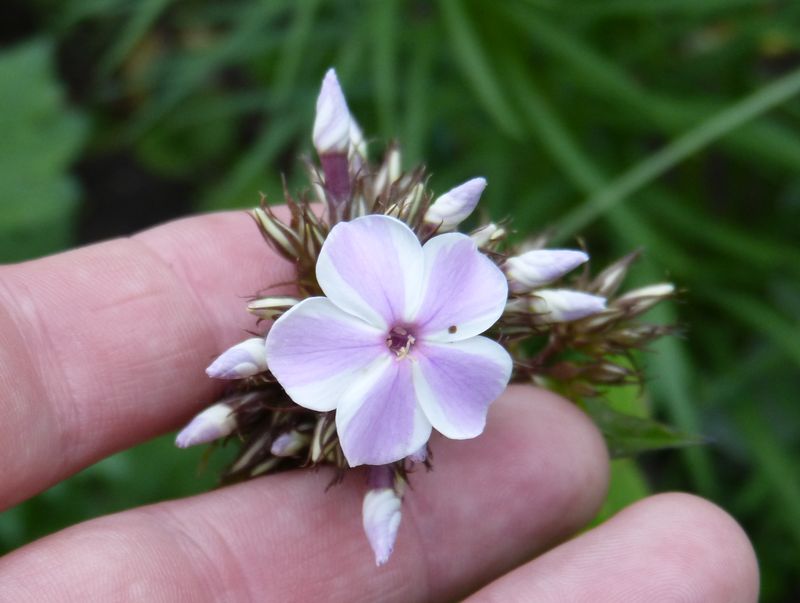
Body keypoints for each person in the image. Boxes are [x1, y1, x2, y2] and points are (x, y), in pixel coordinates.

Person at [0, 211, 759, 601]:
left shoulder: (460, 311)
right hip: (361, 376)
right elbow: (301, 354)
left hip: (437, 355)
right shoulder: (331, 322)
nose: (400, 341)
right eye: (398, 340)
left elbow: (463, 354)